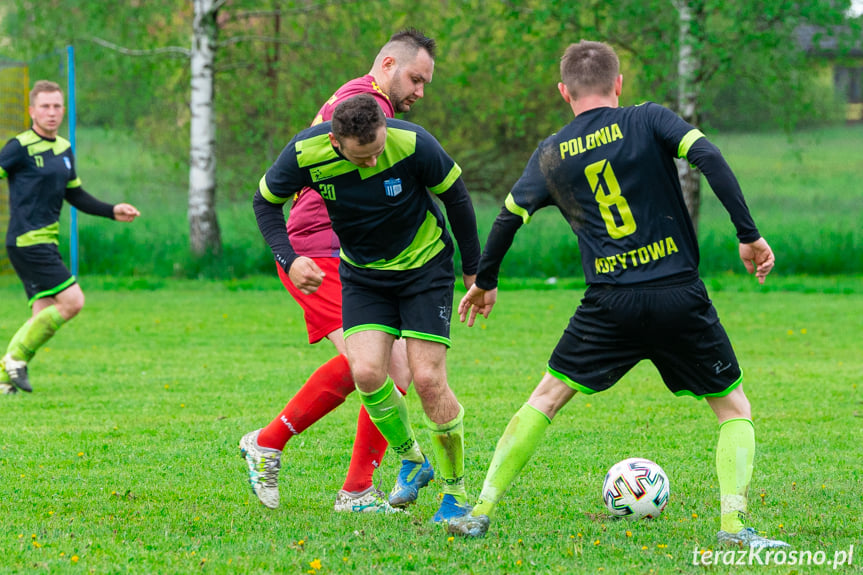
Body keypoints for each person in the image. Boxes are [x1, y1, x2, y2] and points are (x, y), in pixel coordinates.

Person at [448, 41, 788, 549]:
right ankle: (734, 527)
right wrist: (748, 234)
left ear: (564, 92)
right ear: (619, 83)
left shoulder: (551, 152)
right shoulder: (648, 119)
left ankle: (480, 511)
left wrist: (486, 279)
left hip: (609, 303)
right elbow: (708, 157)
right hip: (677, 295)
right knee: (734, 410)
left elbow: (507, 217)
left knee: (546, 398)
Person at [251, 93, 481, 523]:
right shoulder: (305, 152)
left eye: (378, 151)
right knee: (367, 373)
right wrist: (289, 257)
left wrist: (475, 273)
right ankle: (412, 459)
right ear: (337, 143)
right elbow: (265, 202)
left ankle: (456, 494)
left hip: (424, 269)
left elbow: (458, 199)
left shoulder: (413, 143)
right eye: (362, 157)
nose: (373, 163)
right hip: (363, 275)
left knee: (428, 379)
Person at [239, 29, 439, 514]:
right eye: (415, 78)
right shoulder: (364, 107)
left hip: (340, 248)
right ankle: (277, 448)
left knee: (382, 368)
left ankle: (352, 488)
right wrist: (290, 254)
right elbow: (282, 184)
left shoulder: (366, 102)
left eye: (426, 83)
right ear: (388, 64)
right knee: (376, 366)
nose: (420, 91)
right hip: (319, 246)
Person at [0, 80, 140, 395]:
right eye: (45, 106)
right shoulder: (19, 147)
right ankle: (15, 359)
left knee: (43, 312)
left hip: (45, 241)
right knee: (73, 301)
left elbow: (74, 194)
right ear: (32, 110)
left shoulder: (63, 149)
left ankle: (4, 380)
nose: (51, 112)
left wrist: (111, 210)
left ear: (63, 110)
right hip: (27, 241)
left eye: (57, 106)